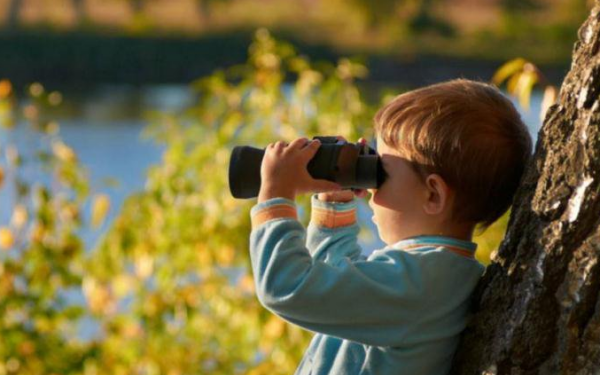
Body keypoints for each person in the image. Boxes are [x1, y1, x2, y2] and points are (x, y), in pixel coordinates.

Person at [248, 79, 533, 374]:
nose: (371, 188)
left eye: (380, 173)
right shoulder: (434, 275)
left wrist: (276, 195)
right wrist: (335, 202)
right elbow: (333, 284)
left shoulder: (423, 282)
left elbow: (287, 287)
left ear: (433, 195)